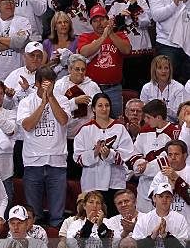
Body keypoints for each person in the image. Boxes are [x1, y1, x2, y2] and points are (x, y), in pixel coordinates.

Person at [17, 66, 70, 228]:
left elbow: (63, 120)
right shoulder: (26, 102)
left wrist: (51, 98)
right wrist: (42, 104)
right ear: (37, 84)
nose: (49, 87)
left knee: (57, 217)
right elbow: (27, 125)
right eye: (45, 84)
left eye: (52, 84)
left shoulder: (62, 100)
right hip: (33, 162)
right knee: (34, 216)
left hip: (57, 162)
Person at [74, 93, 134, 207]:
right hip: (92, 183)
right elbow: (78, 158)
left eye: (107, 105)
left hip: (115, 183)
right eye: (100, 105)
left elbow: (127, 154)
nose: (104, 109)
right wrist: (95, 153)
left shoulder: (120, 128)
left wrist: (109, 154)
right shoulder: (85, 130)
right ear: (93, 109)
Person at [78, 5, 131, 118]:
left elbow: (126, 50)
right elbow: (84, 52)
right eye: (95, 20)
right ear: (91, 23)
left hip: (113, 88)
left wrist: (110, 33)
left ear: (108, 20)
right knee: (91, 121)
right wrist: (103, 37)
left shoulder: (119, 35)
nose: (99, 23)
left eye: (102, 19)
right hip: (92, 88)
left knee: (116, 121)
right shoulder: (86, 37)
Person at [53, 54, 101, 179]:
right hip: (65, 136)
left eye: (83, 69)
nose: (80, 73)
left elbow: (100, 107)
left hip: (86, 137)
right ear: (69, 69)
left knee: (85, 174)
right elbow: (54, 109)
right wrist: (74, 102)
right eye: (77, 69)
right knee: (68, 175)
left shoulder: (92, 86)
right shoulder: (59, 85)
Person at [129, 99, 180, 212]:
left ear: (158, 117)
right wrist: (139, 165)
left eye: (148, 117)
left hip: (165, 184)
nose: (145, 120)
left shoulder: (175, 132)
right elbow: (135, 152)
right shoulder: (145, 130)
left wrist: (147, 167)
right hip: (143, 187)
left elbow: (172, 159)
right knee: (144, 221)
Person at [149, 0, 189, 84]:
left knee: (187, 83)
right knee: (166, 82)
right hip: (166, 43)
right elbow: (156, 16)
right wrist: (174, 4)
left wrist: (187, 3)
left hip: (187, 44)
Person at [151, 140, 190, 224]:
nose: (173, 157)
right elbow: (154, 201)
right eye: (170, 154)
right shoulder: (160, 175)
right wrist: (171, 188)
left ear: (185, 156)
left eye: (176, 154)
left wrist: (176, 179)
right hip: (166, 225)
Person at [140, 55, 185, 123]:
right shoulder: (147, 88)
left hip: (171, 125)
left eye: (166, 68)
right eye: (160, 68)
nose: (163, 71)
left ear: (170, 70)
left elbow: (179, 115)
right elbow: (142, 112)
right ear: (154, 70)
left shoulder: (179, 88)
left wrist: (165, 109)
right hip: (150, 125)